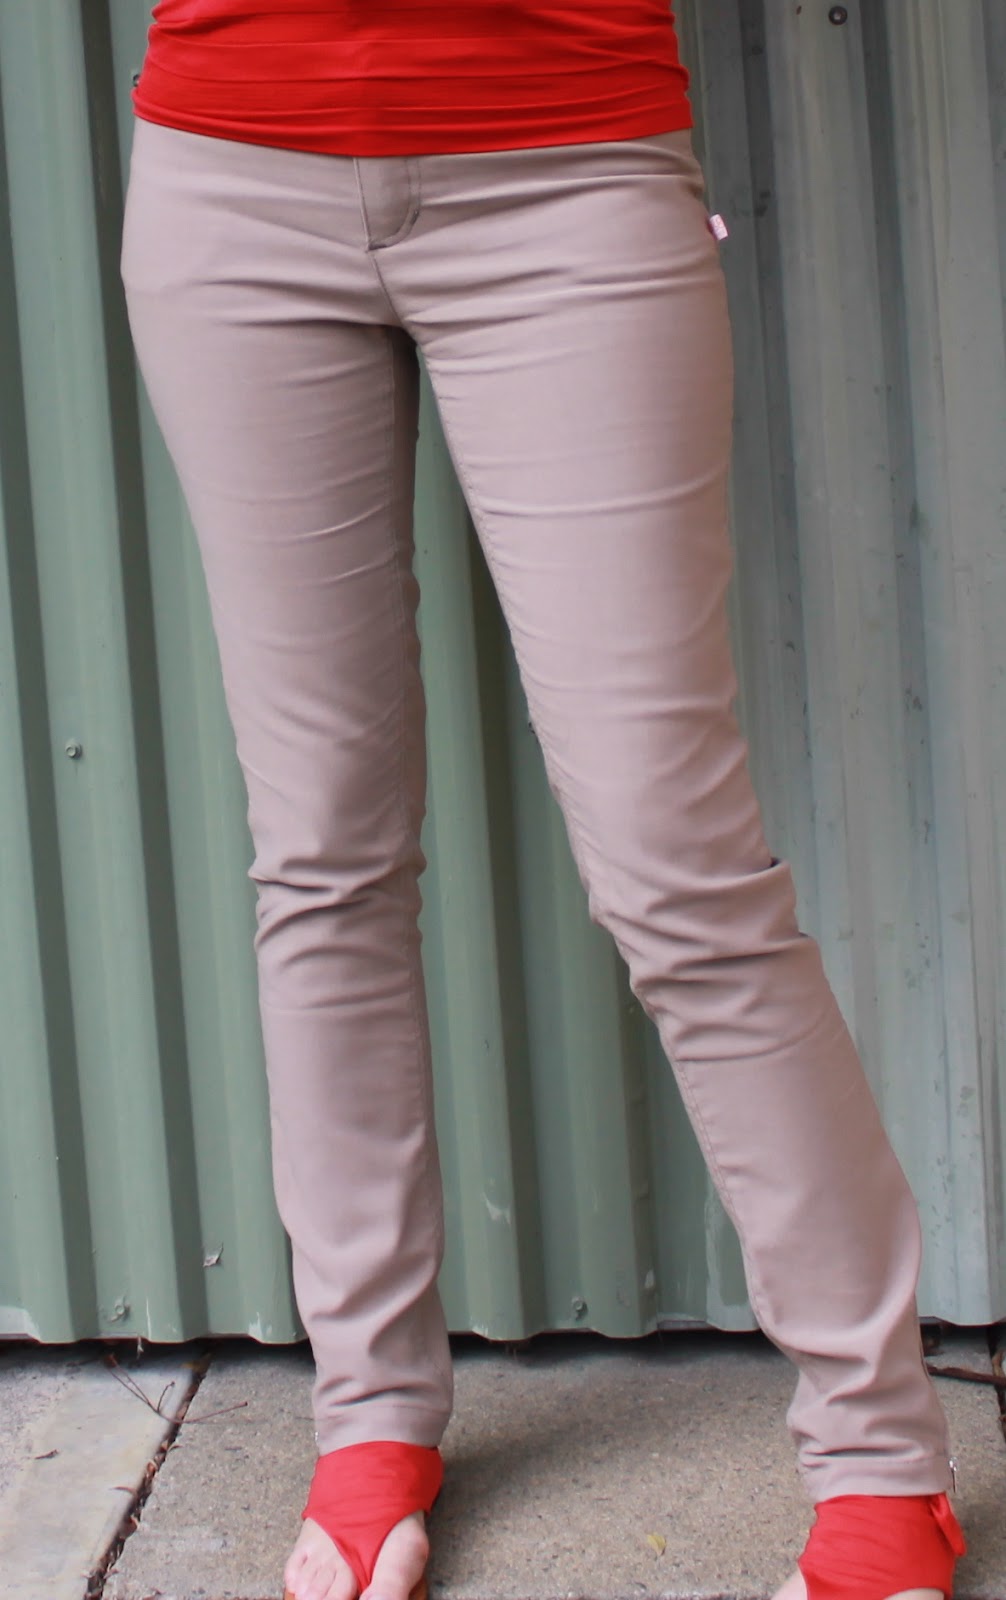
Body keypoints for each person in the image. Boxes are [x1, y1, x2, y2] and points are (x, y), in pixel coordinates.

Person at [119, 6, 966, 1600]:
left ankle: (878, 1457)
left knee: (679, 868)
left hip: (564, 170)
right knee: (321, 853)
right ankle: (369, 1417)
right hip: (229, 180)